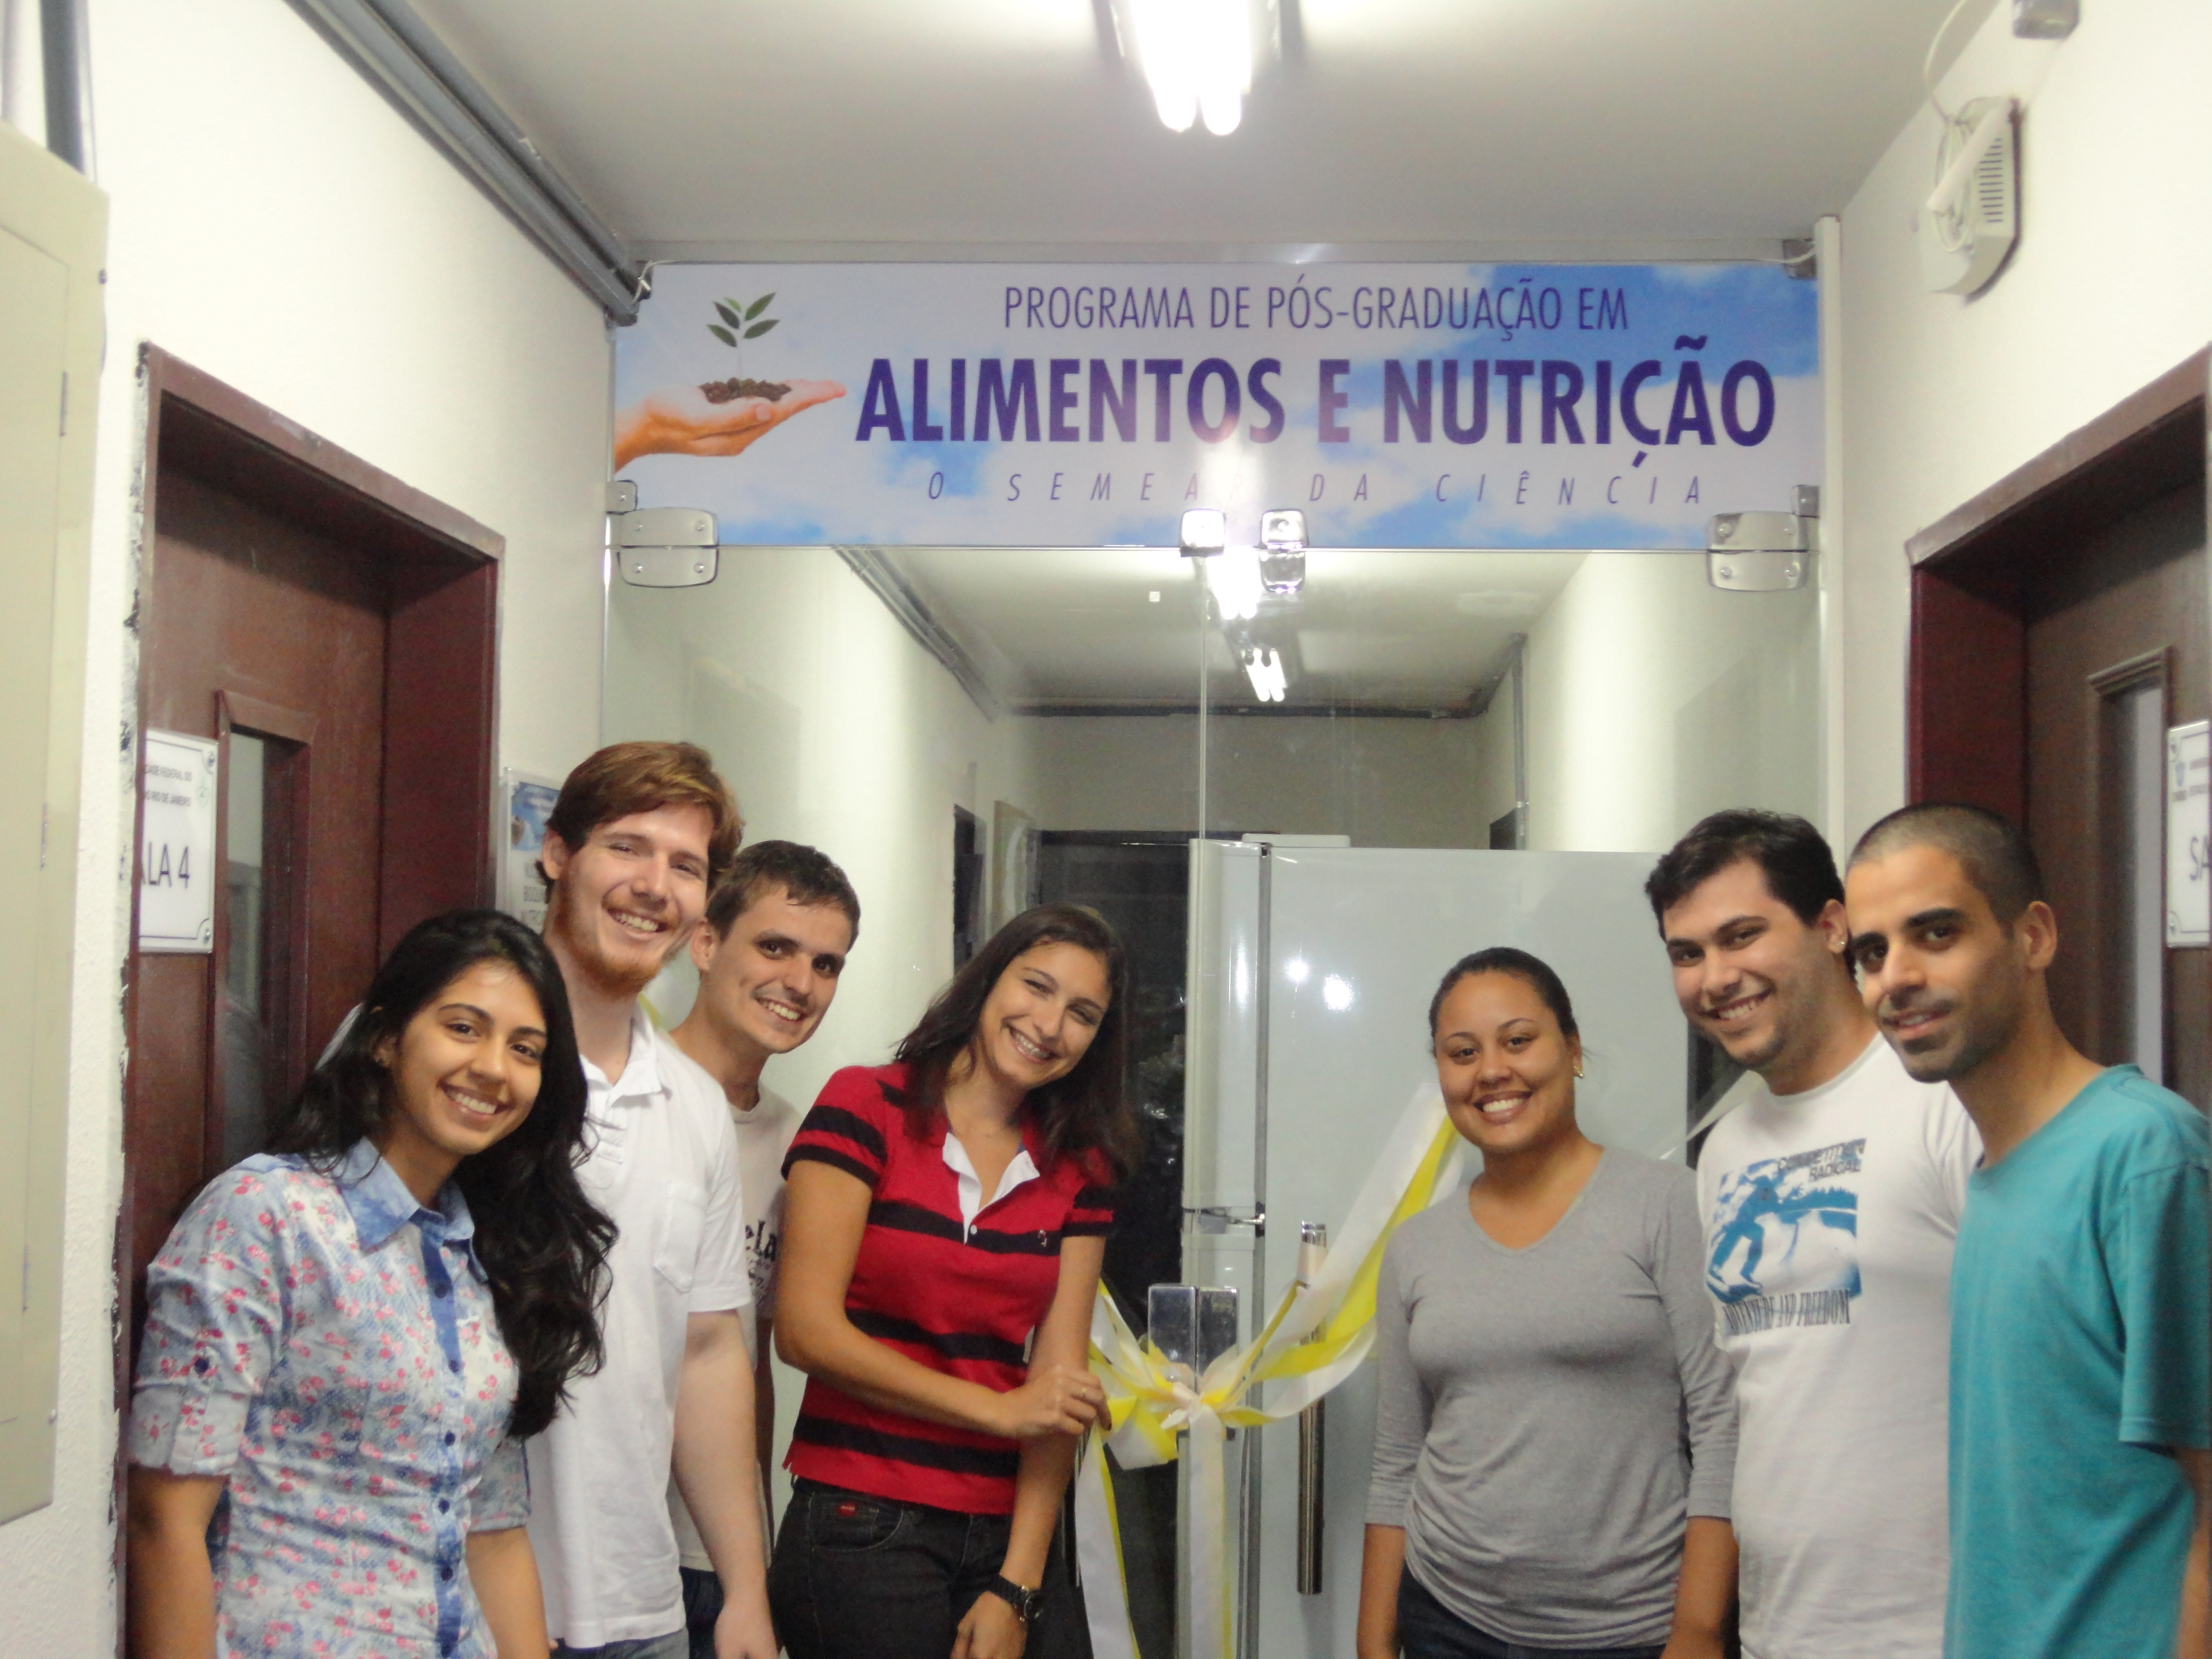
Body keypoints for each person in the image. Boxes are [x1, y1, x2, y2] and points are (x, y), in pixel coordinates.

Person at [126, 909, 614, 1659]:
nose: (494, 1068)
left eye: (525, 1049)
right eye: (463, 1028)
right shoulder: (268, 1216)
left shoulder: (492, 1250)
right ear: (385, 1038)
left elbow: (491, 1530)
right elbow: (164, 1519)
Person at [1845, 803, 2211, 1659]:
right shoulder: (1993, 1175)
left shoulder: (2144, 1155)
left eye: (1937, 933)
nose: (1896, 977)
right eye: (1871, 952)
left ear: (2033, 937)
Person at [1644, 810, 1979, 1659]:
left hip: (1940, 1630)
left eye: (1741, 936)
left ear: (1831, 927)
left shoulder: (1945, 1103)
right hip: (1780, 1628)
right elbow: (1755, 1402)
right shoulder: (1726, 1149)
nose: (1715, 978)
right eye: (1687, 953)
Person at [769, 903, 1139, 1659]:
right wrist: (997, 1411)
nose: (1049, 1025)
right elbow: (804, 1331)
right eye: (1035, 986)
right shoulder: (865, 1105)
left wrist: (1018, 1585)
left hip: (1005, 1537)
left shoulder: (1081, 1165)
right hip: (860, 1521)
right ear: (987, 981)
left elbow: (1056, 1389)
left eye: (1082, 1014)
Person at [1359, 947, 1738, 1659]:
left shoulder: (1668, 1206)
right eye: (1462, 1052)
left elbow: (1724, 1428)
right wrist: (1374, 1644)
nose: (1491, 1071)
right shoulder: (1415, 1247)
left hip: (1632, 1630)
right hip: (1447, 1618)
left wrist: (1698, 1630)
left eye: (1518, 1040)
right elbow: (1396, 1461)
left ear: (1573, 1050)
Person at [528, 741, 777, 1659]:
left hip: (639, 1608)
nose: (653, 886)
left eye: (685, 866)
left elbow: (708, 1351)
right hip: (462, 1597)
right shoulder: (466, 1066)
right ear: (558, 852)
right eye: (627, 847)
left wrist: (744, 1588)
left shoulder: (696, 1106)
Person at [666, 842, 863, 1659]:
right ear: (706, 942)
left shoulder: (796, 1144)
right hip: (592, 1538)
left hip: (710, 1553)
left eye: (825, 964)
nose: (800, 983)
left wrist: (754, 1558)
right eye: (775, 947)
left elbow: (747, 1362)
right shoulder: (623, 1097)